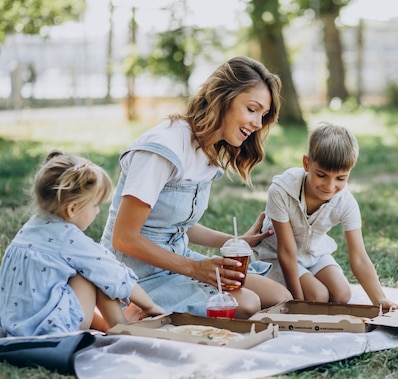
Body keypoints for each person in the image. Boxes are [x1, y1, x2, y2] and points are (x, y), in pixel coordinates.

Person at [100, 56, 293, 319]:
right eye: (252, 109)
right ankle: (133, 313)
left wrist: (234, 241)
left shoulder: (207, 150)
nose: (258, 124)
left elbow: (177, 223)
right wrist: (195, 269)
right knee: (247, 304)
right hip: (133, 275)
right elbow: (124, 237)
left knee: (279, 296)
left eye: (263, 115)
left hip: (178, 263)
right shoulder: (163, 149)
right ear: (222, 98)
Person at [0, 151, 164, 337]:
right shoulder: (68, 238)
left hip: (14, 323)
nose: (98, 212)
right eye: (95, 205)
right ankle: (120, 326)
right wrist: (150, 305)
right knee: (96, 272)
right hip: (50, 329)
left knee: (88, 270)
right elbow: (113, 274)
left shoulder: (30, 228)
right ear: (73, 209)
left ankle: (110, 327)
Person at [252, 123, 398, 310]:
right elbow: (286, 252)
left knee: (342, 294)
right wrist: (298, 301)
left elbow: (359, 257)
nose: (329, 186)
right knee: (318, 295)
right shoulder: (281, 190)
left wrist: (380, 299)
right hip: (274, 256)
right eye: (321, 175)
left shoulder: (345, 202)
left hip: (314, 254)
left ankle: (311, 290)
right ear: (306, 164)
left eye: (340, 178)